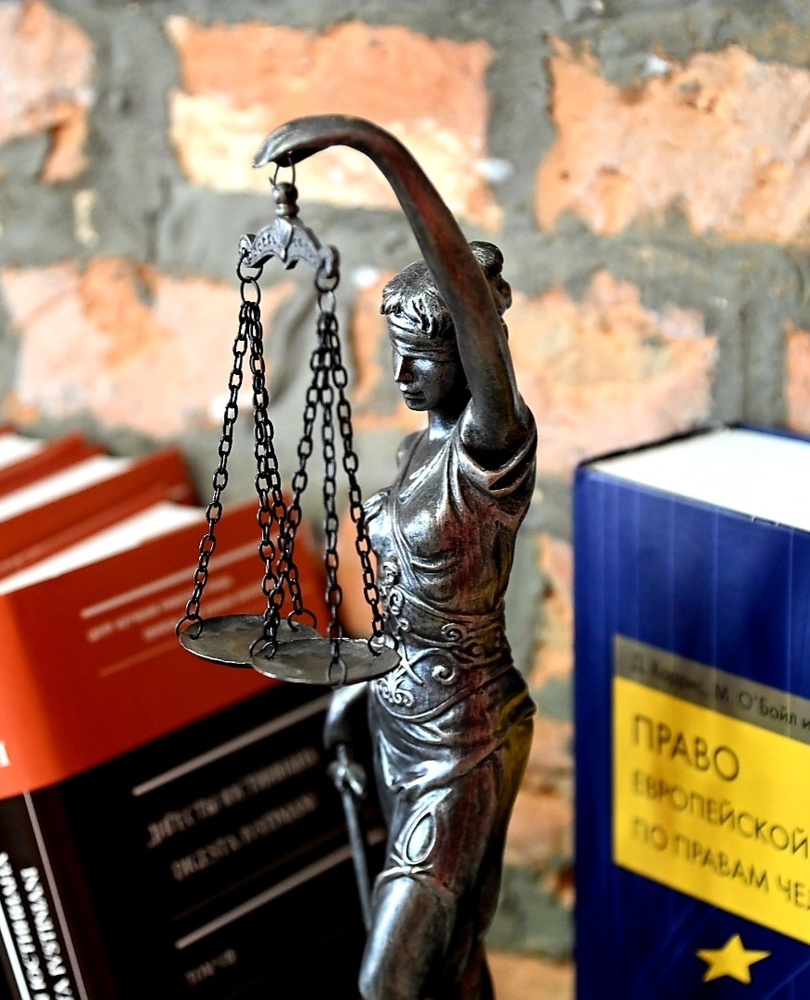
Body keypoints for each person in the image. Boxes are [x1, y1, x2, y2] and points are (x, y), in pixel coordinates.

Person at [255, 113, 537, 1000]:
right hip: (396, 723)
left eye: (420, 358)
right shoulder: (420, 449)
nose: (402, 377)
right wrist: (355, 692)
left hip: (465, 736)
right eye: (396, 356)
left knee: (389, 983)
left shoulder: (488, 453)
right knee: (450, 960)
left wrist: (369, 144)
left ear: (470, 355)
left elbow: (467, 302)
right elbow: (406, 612)